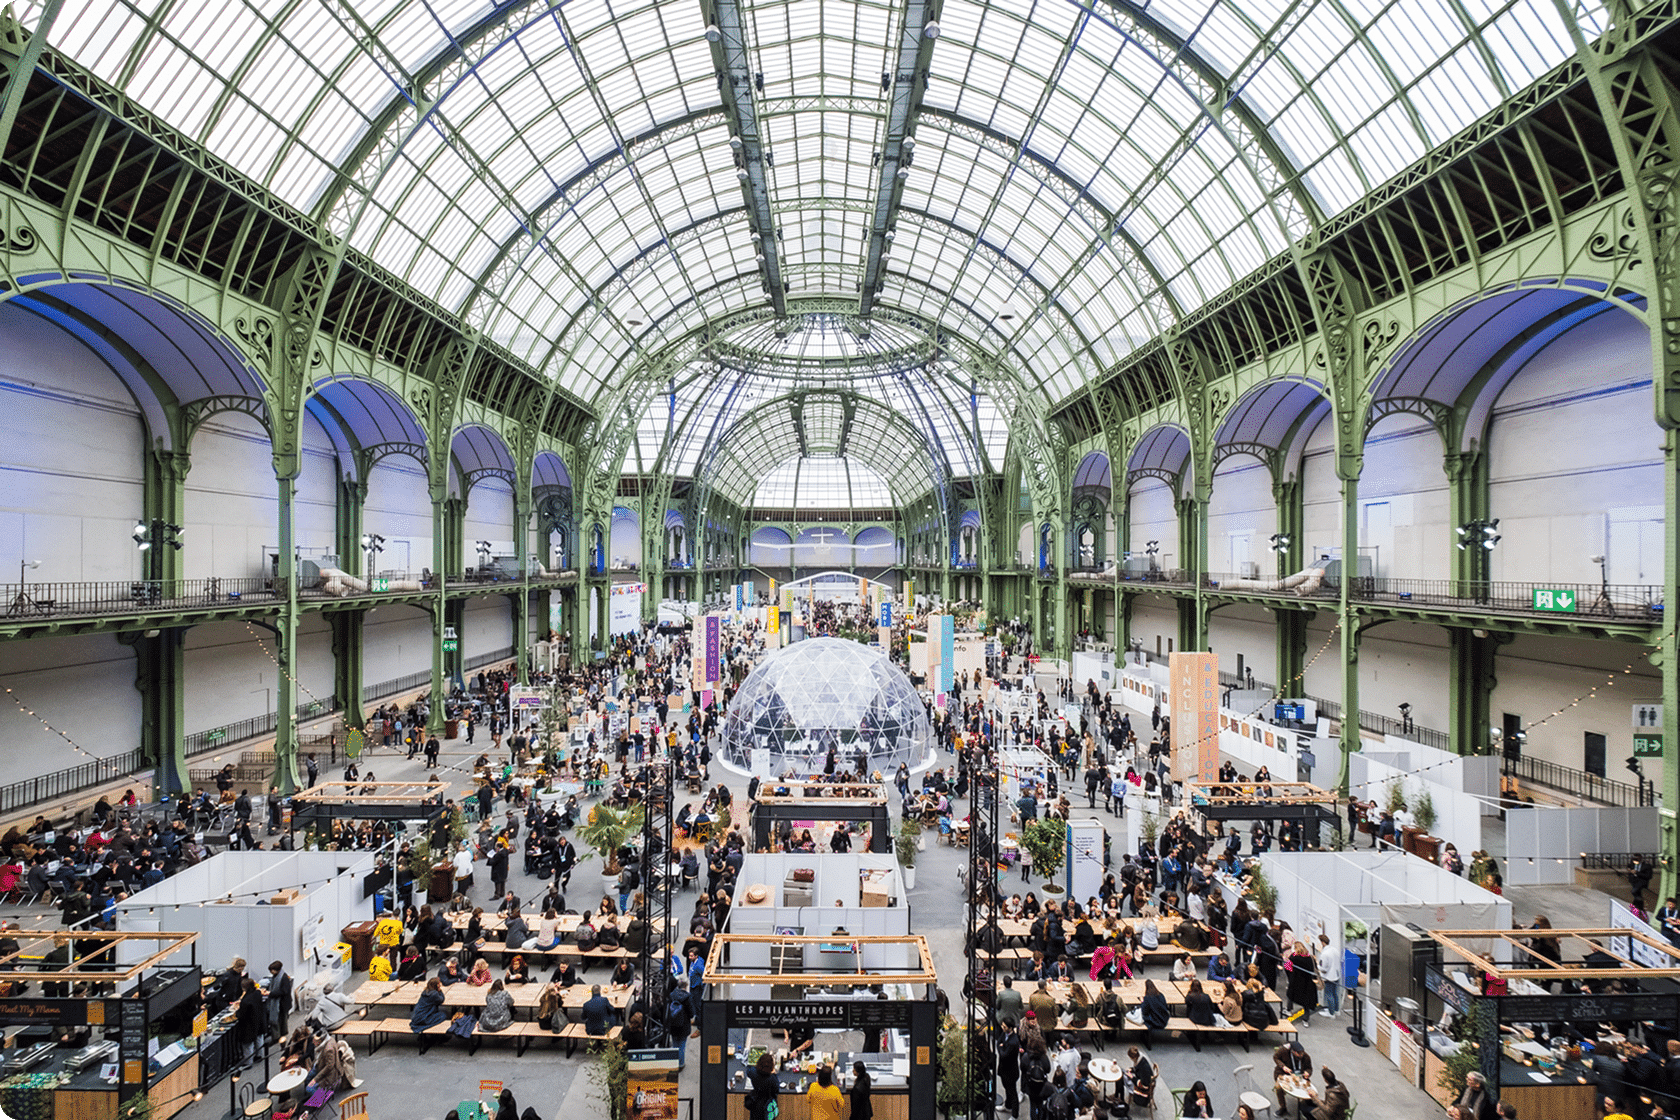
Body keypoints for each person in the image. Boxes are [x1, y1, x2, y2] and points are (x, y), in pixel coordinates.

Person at [1274, 1041, 1312, 1112]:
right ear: (1293, 1051)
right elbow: (1275, 1057)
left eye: (1302, 1053)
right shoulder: (1283, 1051)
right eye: (1298, 1053)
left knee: (1308, 1087)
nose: (1301, 1055)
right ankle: (1283, 1107)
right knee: (1278, 1088)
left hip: (1300, 1076)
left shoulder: (1306, 1057)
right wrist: (1283, 1066)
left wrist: (1308, 1073)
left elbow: (1309, 1069)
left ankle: (1307, 1105)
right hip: (1284, 1074)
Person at [996, 1017, 1022, 1119]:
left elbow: (1003, 1055)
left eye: (1004, 1026)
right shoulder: (1005, 1034)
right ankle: (1008, 1105)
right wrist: (1001, 1047)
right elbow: (998, 1042)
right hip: (1004, 1069)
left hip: (1010, 1071)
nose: (1002, 1028)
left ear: (1010, 1028)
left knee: (1012, 1092)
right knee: (1007, 1089)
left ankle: (1015, 1115)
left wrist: (1001, 1047)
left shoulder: (1013, 1041)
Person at [747, 1053, 779, 1120]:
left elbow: (748, 1070)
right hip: (768, 1105)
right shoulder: (772, 1079)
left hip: (755, 1103)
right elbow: (776, 1090)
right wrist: (773, 1073)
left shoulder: (753, 1072)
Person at [1315, 934, 1342, 1017]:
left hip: (1329, 976)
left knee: (1329, 994)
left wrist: (1317, 966)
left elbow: (1324, 968)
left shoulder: (1325, 954)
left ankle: (1331, 1012)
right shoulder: (1335, 950)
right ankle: (1336, 1010)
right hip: (1336, 975)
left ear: (1323, 943)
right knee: (1335, 994)